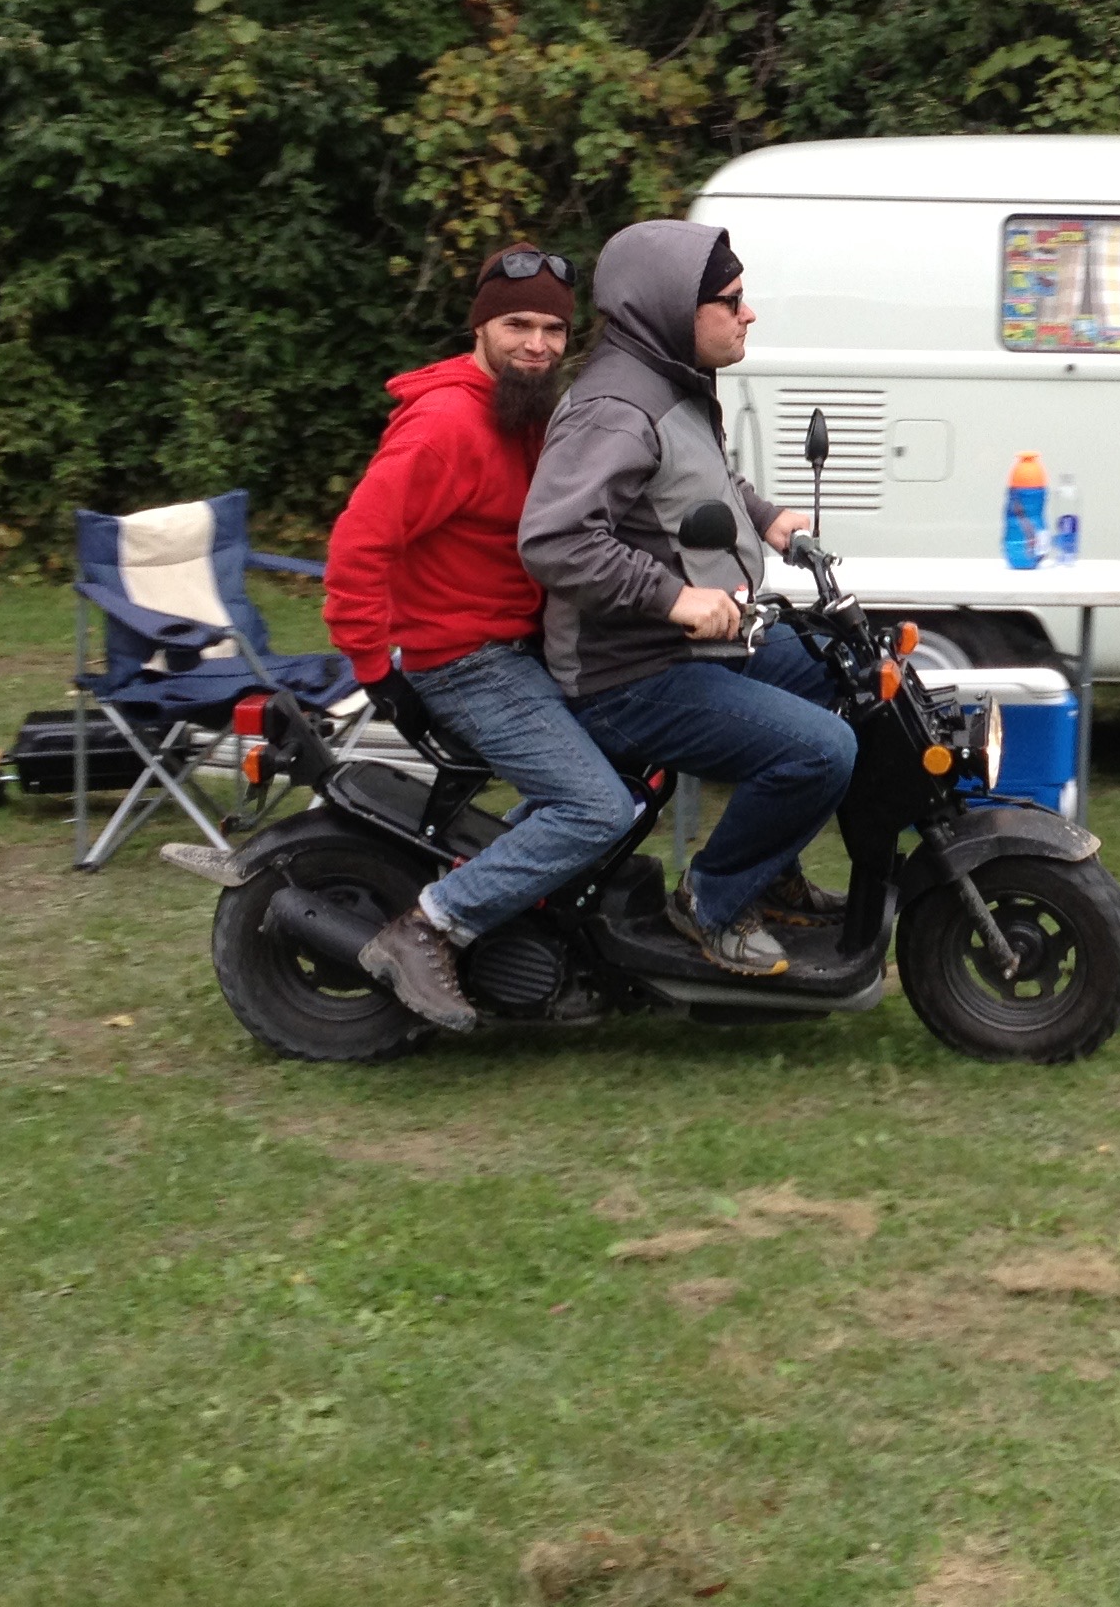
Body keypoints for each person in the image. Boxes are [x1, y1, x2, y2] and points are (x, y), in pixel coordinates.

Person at [521, 220, 850, 977]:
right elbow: (555, 540)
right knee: (820, 751)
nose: (748, 313)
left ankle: (770, 873)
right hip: (626, 673)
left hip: (694, 643)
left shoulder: (672, 379)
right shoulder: (615, 408)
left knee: (840, 667)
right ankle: (713, 899)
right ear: (672, 307)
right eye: (731, 301)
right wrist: (674, 598)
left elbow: (699, 478)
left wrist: (764, 516)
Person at [321, 244, 636, 1030]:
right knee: (597, 809)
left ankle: (534, 935)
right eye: (517, 325)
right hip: (467, 663)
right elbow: (358, 547)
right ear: (482, 327)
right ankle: (428, 927)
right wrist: (374, 669)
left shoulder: (521, 412)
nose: (538, 344)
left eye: (553, 330)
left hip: (524, 649)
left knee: (643, 761)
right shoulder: (444, 427)